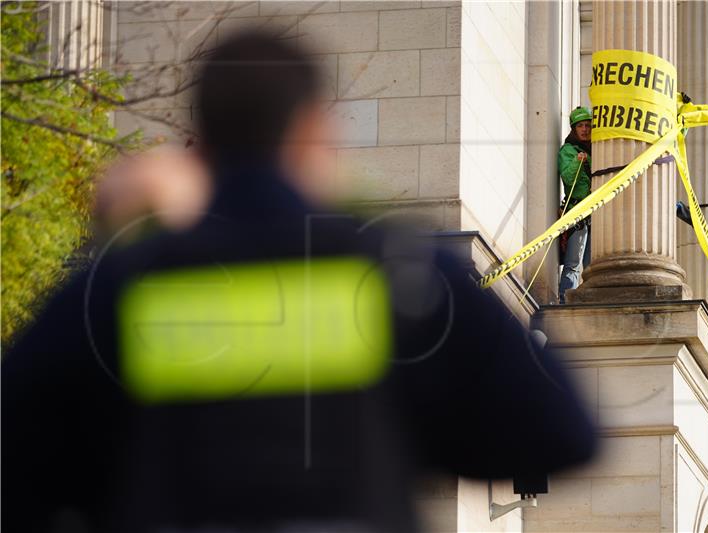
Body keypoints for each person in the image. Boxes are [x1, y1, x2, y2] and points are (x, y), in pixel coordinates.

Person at [2, 32, 596, 533]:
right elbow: (564, 433)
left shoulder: (120, 287)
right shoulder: (400, 275)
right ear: (317, 131)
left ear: (199, 144)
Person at [558, 106, 593, 304]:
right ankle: (565, 300)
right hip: (577, 211)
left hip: (595, 211)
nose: (585, 129)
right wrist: (578, 162)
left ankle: (589, 301)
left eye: (588, 126)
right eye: (580, 126)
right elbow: (569, 179)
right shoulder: (568, 151)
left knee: (591, 265)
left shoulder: (597, 149)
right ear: (573, 128)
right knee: (573, 263)